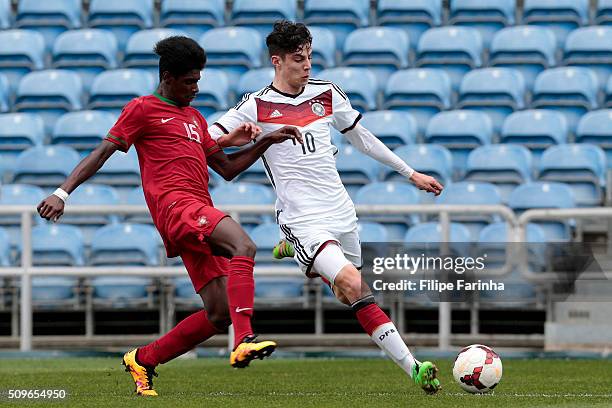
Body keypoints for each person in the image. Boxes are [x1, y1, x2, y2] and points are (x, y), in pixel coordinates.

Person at [36, 36, 302, 397]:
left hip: (197, 213)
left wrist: (266, 141)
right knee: (244, 245)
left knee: (219, 312)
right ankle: (244, 339)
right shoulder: (142, 108)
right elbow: (102, 152)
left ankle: (143, 359)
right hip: (179, 210)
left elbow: (226, 168)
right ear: (167, 77)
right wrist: (61, 192)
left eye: (198, 80)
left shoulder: (194, 118)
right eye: (189, 81)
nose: (196, 88)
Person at [208, 21, 444, 394]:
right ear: (277, 61)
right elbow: (207, 138)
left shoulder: (328, 94)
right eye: (299, 59)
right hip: (302, 218)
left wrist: (410, 172)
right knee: (353, 283)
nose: (307, 65)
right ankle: (414, 366)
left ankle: (300, 258)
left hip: (341, 212)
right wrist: (236, 136)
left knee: (344, 290)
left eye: (310, 56)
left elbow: (363, 139)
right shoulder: (255, 105)